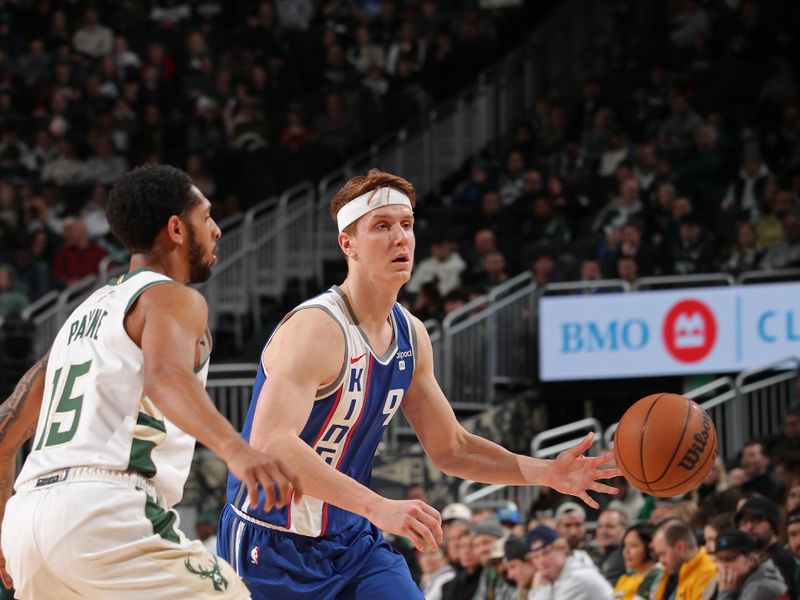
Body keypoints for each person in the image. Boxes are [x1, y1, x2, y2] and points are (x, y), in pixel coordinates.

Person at [217, 169, 620, 598]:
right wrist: (378, 506)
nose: (401, 238)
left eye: (406, 224)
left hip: (351, 540)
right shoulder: (316, 328)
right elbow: (270, 445)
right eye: (382, 226)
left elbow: (453, 449)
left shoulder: (411, 335)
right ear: (347, 244)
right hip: (271, 542)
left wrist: (549, 473)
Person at [0, 164, 301, 599]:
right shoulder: (172, 298)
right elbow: (165, 378)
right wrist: (239, 451)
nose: (216, 231)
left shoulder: (78, 318)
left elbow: (5, 432)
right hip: (106, 510)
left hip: (27, 523)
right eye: (207, 217)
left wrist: (5, 534)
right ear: (177, 229)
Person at [528, 524, 614, 599]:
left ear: (562, 549)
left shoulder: (578, 577)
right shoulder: (561, 576)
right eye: (536, 557)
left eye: (546, 553)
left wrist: (540, 589)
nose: (542, 560)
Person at [735, 496, 798, 597]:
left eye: (756, 520)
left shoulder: (783, 560)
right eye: (744, 522)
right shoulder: (745, 560)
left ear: (772, 524)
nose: (749, 526)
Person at [650, 519, 717, 600]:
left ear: (680, 547)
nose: (661, 560)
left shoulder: (707, 573)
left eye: (663, 554)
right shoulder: (670, 572)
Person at [714, 529, 787, 599]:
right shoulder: (734, 584)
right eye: (719, 559)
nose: (723, 566)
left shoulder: (761, 588)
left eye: (729, 559)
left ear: (750, 559)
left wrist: (725, 593)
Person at [613, 523, 661, 600]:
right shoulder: (625, 578)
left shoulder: (657, 576)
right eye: (625, 545)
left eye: (633, 545)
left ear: (650, 547)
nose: (626, 551)